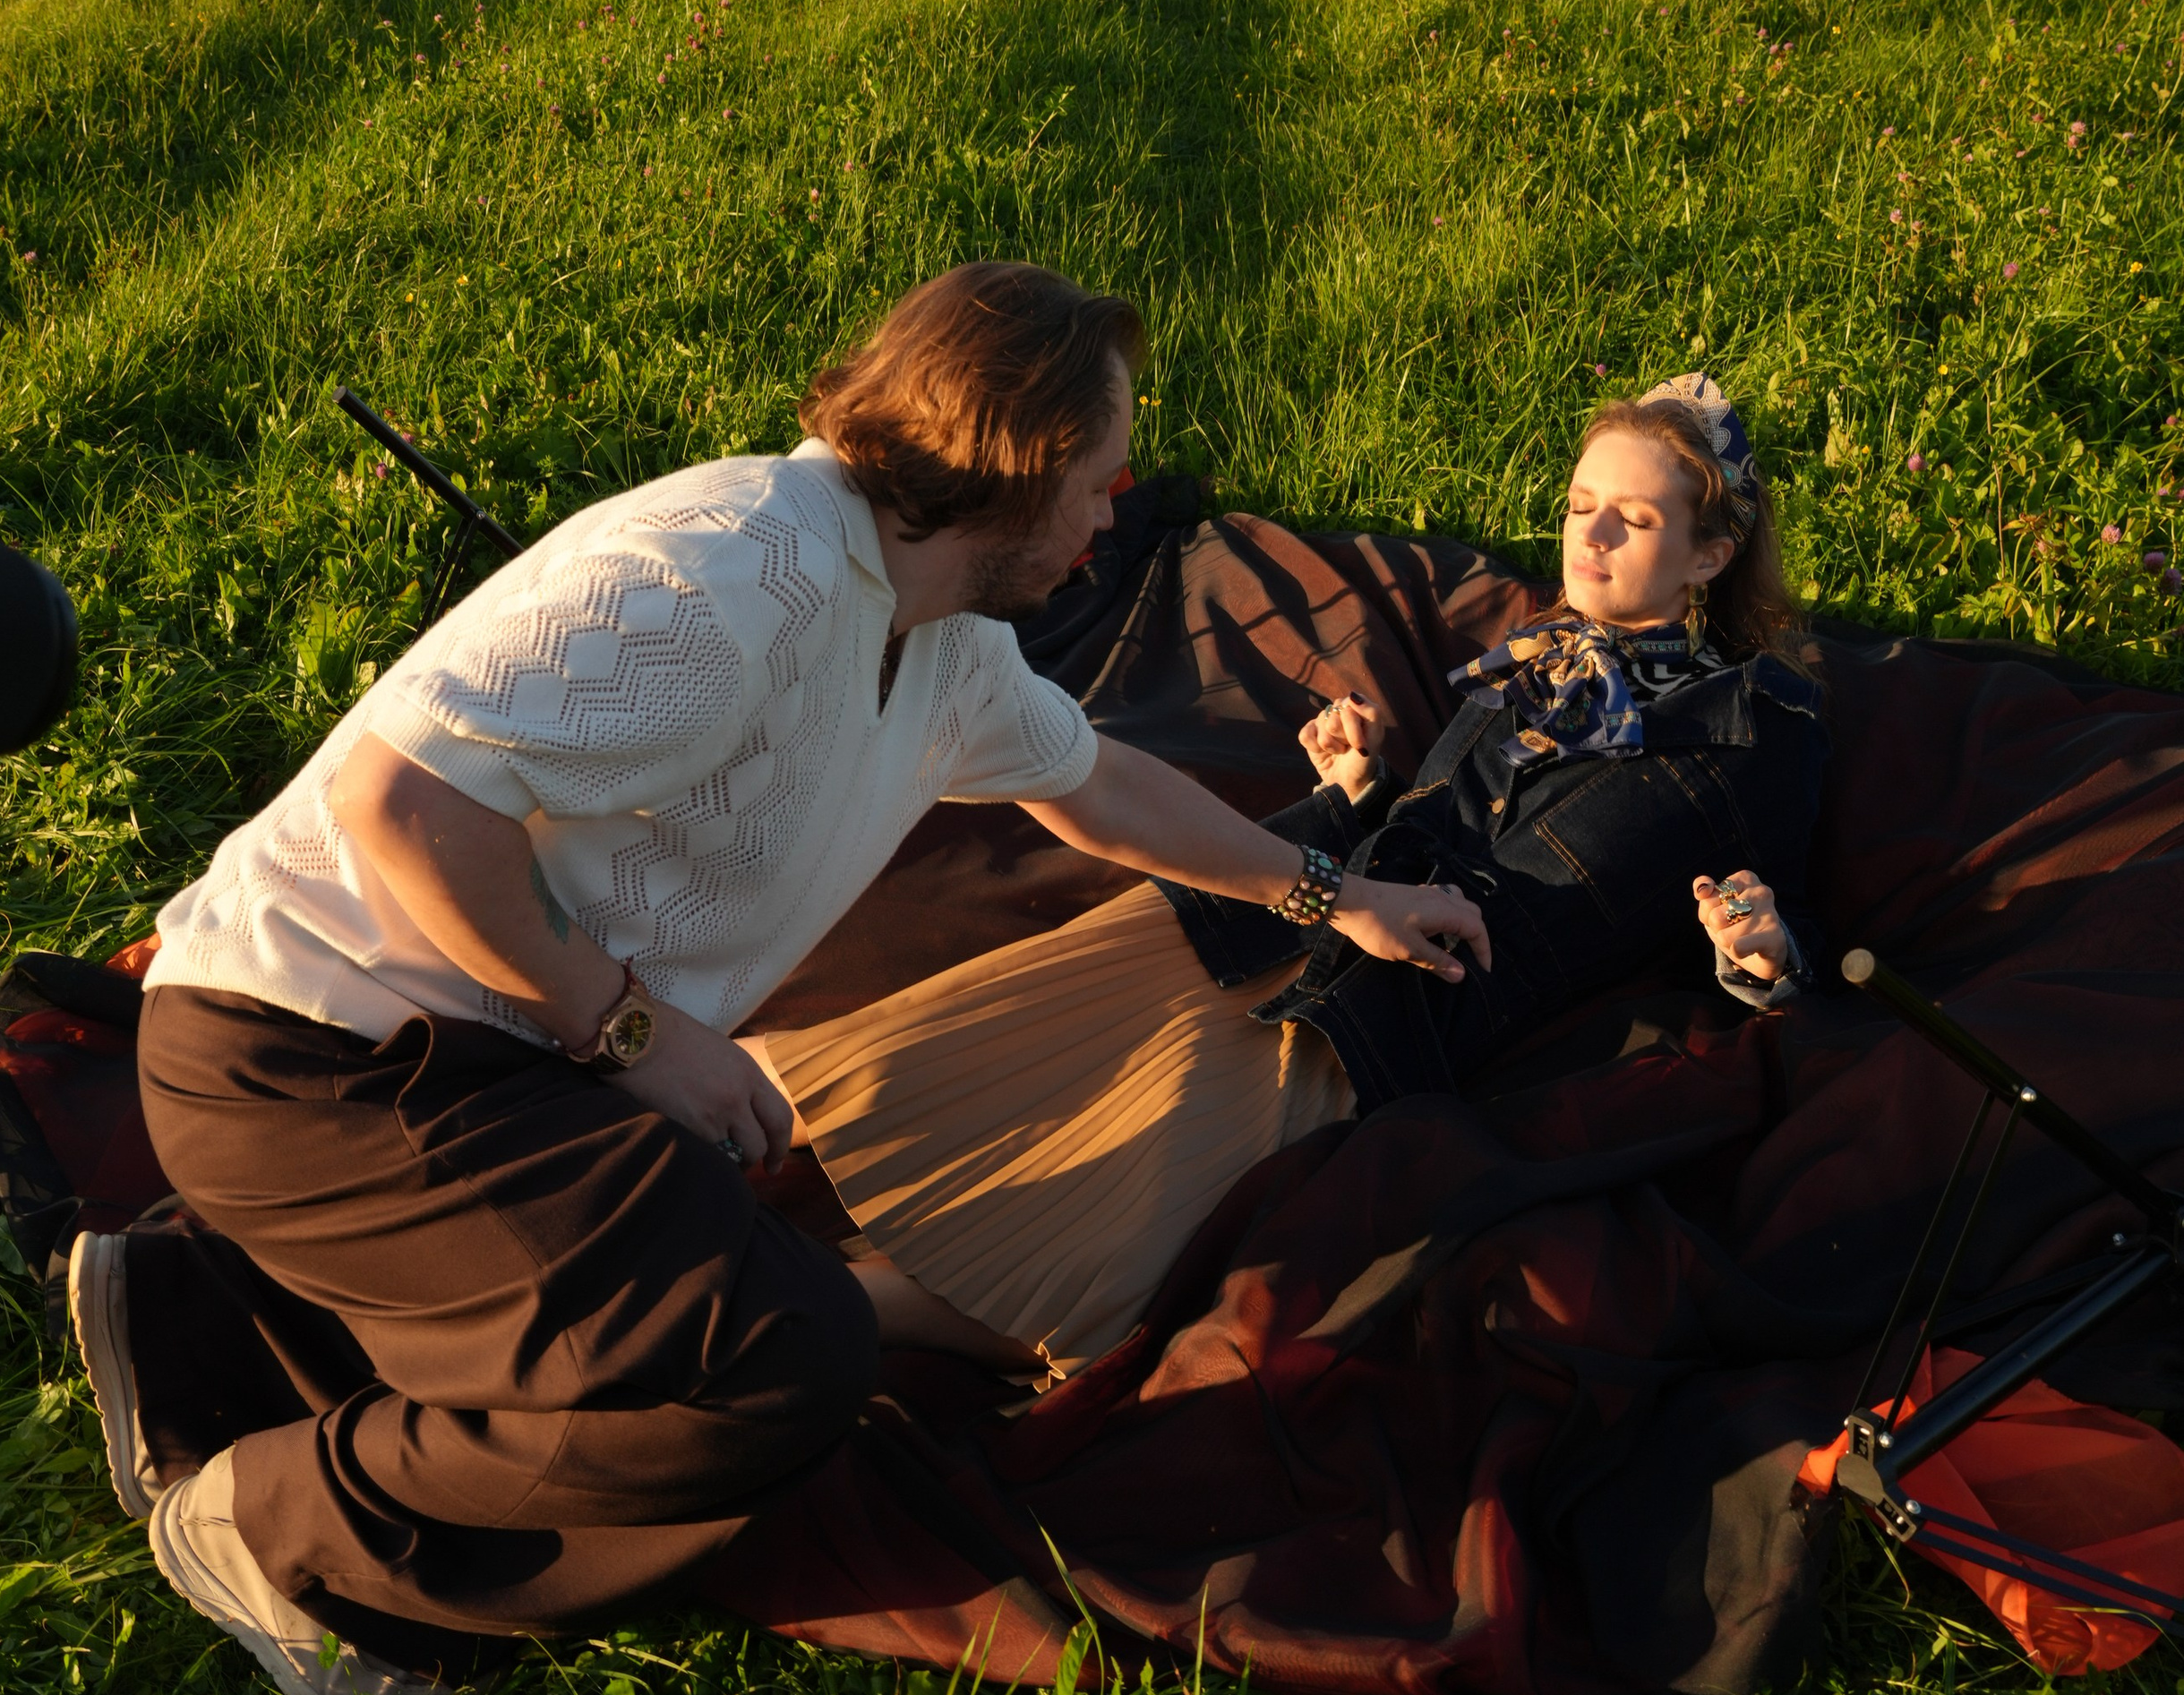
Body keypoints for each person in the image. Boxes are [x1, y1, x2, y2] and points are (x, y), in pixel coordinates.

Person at [81, 262, 1477, 1695]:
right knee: (771, 1364)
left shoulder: (937, 644)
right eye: (1098, 483)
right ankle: (286, 1532)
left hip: (478, 1067)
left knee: (716, 1264)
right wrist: (633, 1033)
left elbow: (1101, 788)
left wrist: (1337, 896)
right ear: (1012, 466)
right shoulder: (731, 578)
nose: (1114, 516)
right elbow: (404, 807)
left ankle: (189, 1320)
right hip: (309, 1069)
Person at [749, 373, 1825, 1375]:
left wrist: (1759, 957)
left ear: (1708, 556)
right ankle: (676, 1124)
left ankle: (783, 1306)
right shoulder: (1536, 650)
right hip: (1289, 902)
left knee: (1106, 1256)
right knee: (936, 1054)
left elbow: (1785, 935)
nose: (1588, 536)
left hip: (1387, 1011)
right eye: (1581, 504)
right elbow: (1439, 816)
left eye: (1632, 520)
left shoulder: (1761, 728)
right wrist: (1361, 784)